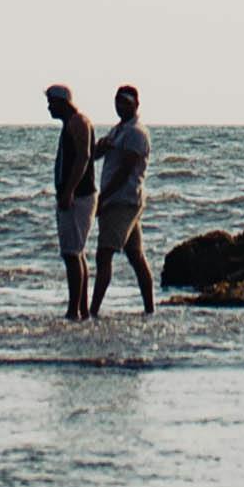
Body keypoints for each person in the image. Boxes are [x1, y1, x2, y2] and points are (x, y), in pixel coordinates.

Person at [89, 83, 156, 317]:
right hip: (124, 200)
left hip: (122, 200)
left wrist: (103, 197)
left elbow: (126, 169)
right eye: (118, 102)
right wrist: (99, 147)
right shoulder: (118, 130)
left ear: (136, 104)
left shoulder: (136, 132)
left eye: (126, 102)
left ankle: (93, 311)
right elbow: (95, 156)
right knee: (136, 257)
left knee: (104, 254)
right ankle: (150, 309)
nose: (121, 106)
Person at [43, 82, 99, 318]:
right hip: (76, 194)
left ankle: (73, 309)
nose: (48, 108)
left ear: (61, 102)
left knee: (72, 253)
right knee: (76, 252)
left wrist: (69, 191)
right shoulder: (72, 123)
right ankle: (81, 309)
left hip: (79, 196)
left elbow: (84, 157)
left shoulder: (77, 122)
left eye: (51, 103)